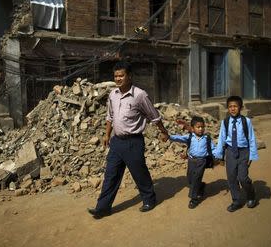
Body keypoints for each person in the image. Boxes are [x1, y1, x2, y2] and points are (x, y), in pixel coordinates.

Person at [87, 61, 169, 219]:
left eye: (121, 75)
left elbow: (154, 116)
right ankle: (102, 208)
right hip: (117, 142)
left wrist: (163, 132)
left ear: (129, 76)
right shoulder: (112, 94)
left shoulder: (140, 95)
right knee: (111, 175)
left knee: (139, 173)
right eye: (116, 76)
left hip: (133, 141)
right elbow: (110, 116)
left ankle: (149, 200)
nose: (118, 79)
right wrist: (106, 134)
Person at [213, 95, 258, 212]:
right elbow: (222, 138)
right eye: (230, 107)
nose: (232, 109)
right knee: (232, 177)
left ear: (240, 107)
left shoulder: (246, 121)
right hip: (230, 152)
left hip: (243, 152)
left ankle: (251, 194)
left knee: (243, 178)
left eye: (235, 106)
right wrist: (219, 154)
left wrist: (252, 155)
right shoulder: (226, 122)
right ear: (228, 108)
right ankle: (236, 201)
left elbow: (251, 139)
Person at [169, 116, 215, 209]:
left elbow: (214, 149)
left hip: (201, 161)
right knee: (190, 178)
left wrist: (220, 155)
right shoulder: (190, 137)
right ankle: (201, 186)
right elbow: (179, 138)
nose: (201, 129)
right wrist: (169, 136)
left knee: (196, 179)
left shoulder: (207, 139)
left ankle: (194, 199)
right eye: (198, 127)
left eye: (202, 127)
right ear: (193, 128)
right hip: (191, 161)